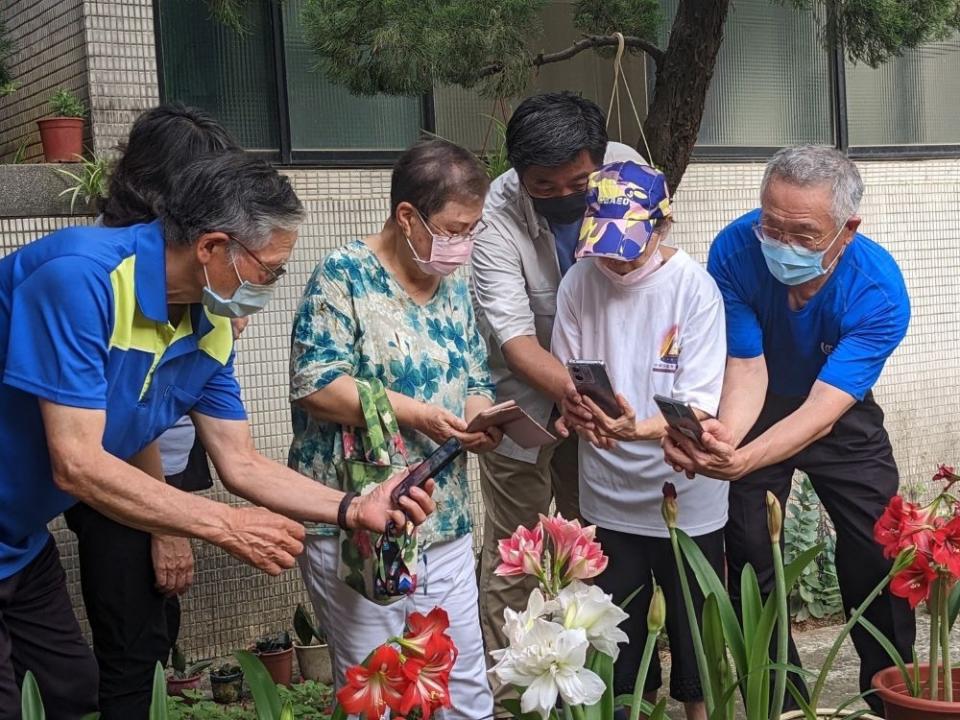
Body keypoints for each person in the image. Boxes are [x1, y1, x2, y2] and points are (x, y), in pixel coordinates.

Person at [0, 150, 436, 717]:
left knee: (68, 693)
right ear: (211, 248)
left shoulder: (209, 327)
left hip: (19, 541)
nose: (273, 285)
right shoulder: (83, 281)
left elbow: (242, 463)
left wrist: (357, 507)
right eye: (270, 269)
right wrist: (225, 524)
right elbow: (77, 463)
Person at [661, 144, 915, 715]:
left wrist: (744, 460)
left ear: (846, 229)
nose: (780, 243)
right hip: (757, 397)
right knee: (751, 550)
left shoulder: (879, 291)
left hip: (839, 410)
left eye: (802, 234)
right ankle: (781, 700)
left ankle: (891, 696)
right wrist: (726, 439)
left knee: (878, 546)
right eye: (770, 224)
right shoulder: (735, 248)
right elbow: (747, 367)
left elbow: (825, 409)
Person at [289, 138, 498, 719]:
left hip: (444, 515)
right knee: (375, 684)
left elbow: (475, 372)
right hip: (360, 523)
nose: (465, 243)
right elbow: (316, 385)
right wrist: (419, 413)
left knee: (460, 685)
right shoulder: (344, 275)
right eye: (456, 229)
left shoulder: (453, 286)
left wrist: (479, 416)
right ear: (407, 216)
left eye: (473, 229)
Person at [62, 103, 241, 720]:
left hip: (167, 473)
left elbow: (230, 447)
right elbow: (125, 412)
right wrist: (171, 524)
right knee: (131, 657)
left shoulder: (196, 278)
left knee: (154, 637)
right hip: (124, 485)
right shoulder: (102, 275)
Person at [471, 91, 646, 679]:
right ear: (519, 176)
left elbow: (645, 277)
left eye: (577, 181)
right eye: (543, 187)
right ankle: (512, 693)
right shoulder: (492, 217)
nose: (564, 197)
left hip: (600, 399)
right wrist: (574, 397)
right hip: (522, 396)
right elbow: (517, 342)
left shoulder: (627, 173)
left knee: (591, 542)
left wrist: (601, 404)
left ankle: (598, 690)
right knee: (515, 551)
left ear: (598, 159)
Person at [552, 161, 727, 720]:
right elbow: (568, 373)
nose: (615, 260)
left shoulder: (694, 289)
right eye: (603, 245)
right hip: (606, 491)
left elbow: (699, 402)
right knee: (620, 636)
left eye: (627, 245)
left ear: (661, 227)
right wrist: (574, 408)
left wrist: (638, 428)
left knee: (694, 627)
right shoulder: (580, 280)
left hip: (685, 495)